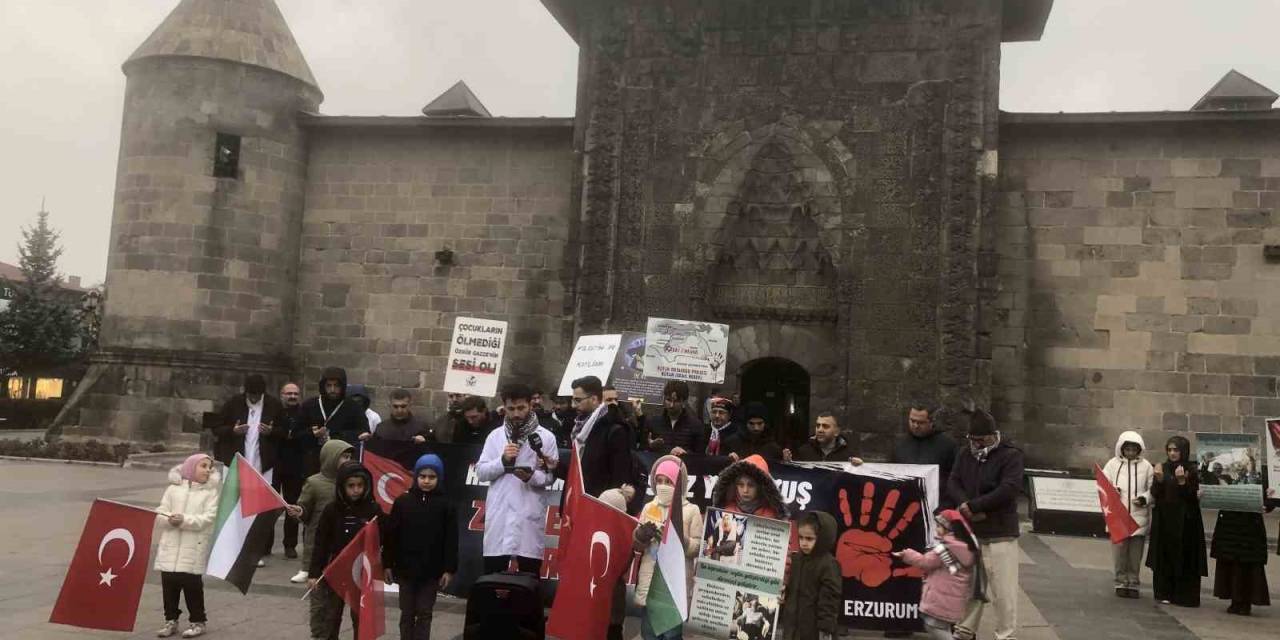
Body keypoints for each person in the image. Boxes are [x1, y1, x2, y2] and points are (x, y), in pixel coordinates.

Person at [945, 409, 1022, 640]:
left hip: (1000, 531)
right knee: (970, 586)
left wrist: (977, 506)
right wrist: (964, 504)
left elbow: (1009, 489)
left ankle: (1005, 634)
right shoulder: (964, 454)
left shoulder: (1011, 455)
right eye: (973, 439)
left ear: (992, 435)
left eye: (981, 440)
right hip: (970, 531)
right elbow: (954, 481)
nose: (976, 444)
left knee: (1003, 591)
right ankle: (965, 629)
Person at [475, 383, 559, 575]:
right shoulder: (495, 437)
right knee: (493, 576)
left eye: (521, 408)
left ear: (531, 405)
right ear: (504, 407)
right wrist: (503, 461)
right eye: (511, 409)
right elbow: (481, 472)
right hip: (500, 514)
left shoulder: (546, 438)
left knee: (529, 577)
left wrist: (530, 476)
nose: (516, 414)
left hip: (528, 513)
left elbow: (550, 477)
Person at [382, 454, 457, 640]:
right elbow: (391, 537)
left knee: (424, 613)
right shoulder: (402, 503)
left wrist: (449, 569)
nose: (426, 481)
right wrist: (387, 565)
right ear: (415, 477)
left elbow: (451, 540)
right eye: (422, 476)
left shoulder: (446, 505)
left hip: (431, 572)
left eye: (432, 477)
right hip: (405, 570)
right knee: (407, 613)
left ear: (439, 478)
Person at [631, 456, 704, 640]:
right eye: (659, 481)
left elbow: (697, 547)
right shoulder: (649, 507)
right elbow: (637, 546)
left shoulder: (691, 510)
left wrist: (681, 540)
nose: (663, 486)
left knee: (671, 636)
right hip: (650, 586)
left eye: (669, 482)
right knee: (649, 634)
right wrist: (641, 536)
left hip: (674, 588)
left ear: (679, 484)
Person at [308, 461, 380, 640]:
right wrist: (313, 573)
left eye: (360, 486)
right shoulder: (332, 510)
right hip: (336, 571)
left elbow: (383, 539)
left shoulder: (373, 509)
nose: (356, 490)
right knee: (332, 616)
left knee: (360, 616)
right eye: (351, 486)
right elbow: (321, 543)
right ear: (342, 487)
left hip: (361, 572)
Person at [154, 454, 221, 639]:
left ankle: (198, 621)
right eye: (203, 466)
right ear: (191, 468)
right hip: (170, 547)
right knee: (169, 587)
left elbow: (208, 518)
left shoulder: (210, 493)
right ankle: (171, 620)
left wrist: (184, 520)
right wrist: (169, 519)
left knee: (192, 587)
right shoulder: (173, 490)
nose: (208, 470)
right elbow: (160, 512)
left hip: (193, 547)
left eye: (210, 467)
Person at [894, 510, 985, 640]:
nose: (936, 529)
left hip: (939, 599)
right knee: (943, 627)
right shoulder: (966, 547)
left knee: (933, 626)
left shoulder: (945, 549)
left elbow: (925, 562)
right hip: (953, 599)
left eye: (939, 526)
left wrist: (906, 554)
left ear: (948, 529)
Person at [1145, 436, 1207, 607]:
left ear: (1183, 451)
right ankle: (1164, 592)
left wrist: (1182, 482)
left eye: (1176, 450)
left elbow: (1192, 497)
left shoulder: (1192, 469)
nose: (1172, 453)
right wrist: (1158, 481)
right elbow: (1156, 494)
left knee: (1185, 556)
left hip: (1185, 521)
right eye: (1170, 449)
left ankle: (1184, 595)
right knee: (1164, 555)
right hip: (1165, 519)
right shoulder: (1162, 468)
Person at [287, 439, 355, 584]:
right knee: (314, 546)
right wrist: (300, 511)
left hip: (342, 531)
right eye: (344, 457)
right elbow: (305, 508)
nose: (347, 460)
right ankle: (307, 569)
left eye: (350, 457)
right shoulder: (314, 482)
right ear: (331, 457)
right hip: (318, 530)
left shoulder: (352, 481)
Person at [1101, 430, 1153, 599]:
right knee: (1119, 552)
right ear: (1121, 449)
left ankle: (1134, 582)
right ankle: (1120, 582)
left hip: (1139, 516)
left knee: (1135, 554)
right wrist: (1112, 491)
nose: (1130, 452)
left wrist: (1144, 499)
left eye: (1134, 449)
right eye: (1127, 449)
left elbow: (1152, 489)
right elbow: (1103, 484)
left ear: (1139, 450)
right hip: (1118, 514)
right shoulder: (1112, 464)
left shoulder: (1146, 466)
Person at [779, 511, 841, 640]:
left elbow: (830, 601)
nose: (804, 543)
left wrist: (826, 629)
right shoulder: (796, 559)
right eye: (801, 537)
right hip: (792, 629)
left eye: (809, 538)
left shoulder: (829, 565)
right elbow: (792, 591)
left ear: (823, 538)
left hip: (814, 632)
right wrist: (784, 594)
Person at [569, 376, 634, 498]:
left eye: (578, 400)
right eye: (573, 400)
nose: (573, 405)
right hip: (577, 501)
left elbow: (619, 477)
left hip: (599, 505)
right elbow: (580, 471)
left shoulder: (614, 430)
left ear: (594, 399)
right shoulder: (579, 428)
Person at [275, 381, 317, 560]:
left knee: (293, 506)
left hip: (296, 466)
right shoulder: (275, 412)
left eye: (295, 394)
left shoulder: (305, 413)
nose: (292, 396)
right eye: (288, 393)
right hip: (275, 464)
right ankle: (264, 545)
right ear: (281, 395)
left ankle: (290, 545)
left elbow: (308, 437)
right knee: (270, 507)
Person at [1210, 496, 1272, 614]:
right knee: (1230, 559)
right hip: (1229, 521)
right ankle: (1235, 599)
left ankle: (1245, 601)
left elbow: (1271, 495)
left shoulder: (1261, 477)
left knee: (1247, 562)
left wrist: (1269, 503)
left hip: (1251, 522)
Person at [211, 374, 285, 472]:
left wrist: (271, 432)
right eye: (251, 395)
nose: (254, 398)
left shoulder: (274, 405)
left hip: (264, 464)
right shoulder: (233, 403)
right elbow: (216, 428)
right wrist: (232, 431)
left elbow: (284, 431)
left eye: (257, 395)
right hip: (234, 462)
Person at [890, 402, 958, 487]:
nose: (915, 426)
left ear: (932, 422)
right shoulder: (899, 443)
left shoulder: (948, 445)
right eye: (912, 420)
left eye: (921, 422)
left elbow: (955, 479)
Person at [302, 367, 370, 447]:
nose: (332, 390)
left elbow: (364, 431)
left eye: (336, 385)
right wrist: (311, 433)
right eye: (329, 385)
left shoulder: (353, 407)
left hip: (342, 453)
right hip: (312, 453)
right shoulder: (309, 405)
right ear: (323, 386)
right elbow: (296, 432)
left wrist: (338, 436)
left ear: (343, 386)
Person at [711, 454, 788, 519]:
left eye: (751, 485)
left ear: (760, 487)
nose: (745, 490)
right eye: (741, 485)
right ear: (735, 486)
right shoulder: (725, 512)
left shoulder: (772, 517)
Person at [641, 380, 706, 457]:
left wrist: (686, 454)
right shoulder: (652, 422)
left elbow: (700, 457)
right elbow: (641, 454)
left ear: (684, 402)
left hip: (684, 467)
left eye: (676, 401)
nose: (671, 405)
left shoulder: (695, 425)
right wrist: (650, 447)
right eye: (668, 400)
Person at [786, 413, 854, 462]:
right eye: (818, 426)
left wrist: (859, 467)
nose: (820, 430)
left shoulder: (848, 456)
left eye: (825, 426)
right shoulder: (803, 452)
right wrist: (788, 464)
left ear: (836, 432)